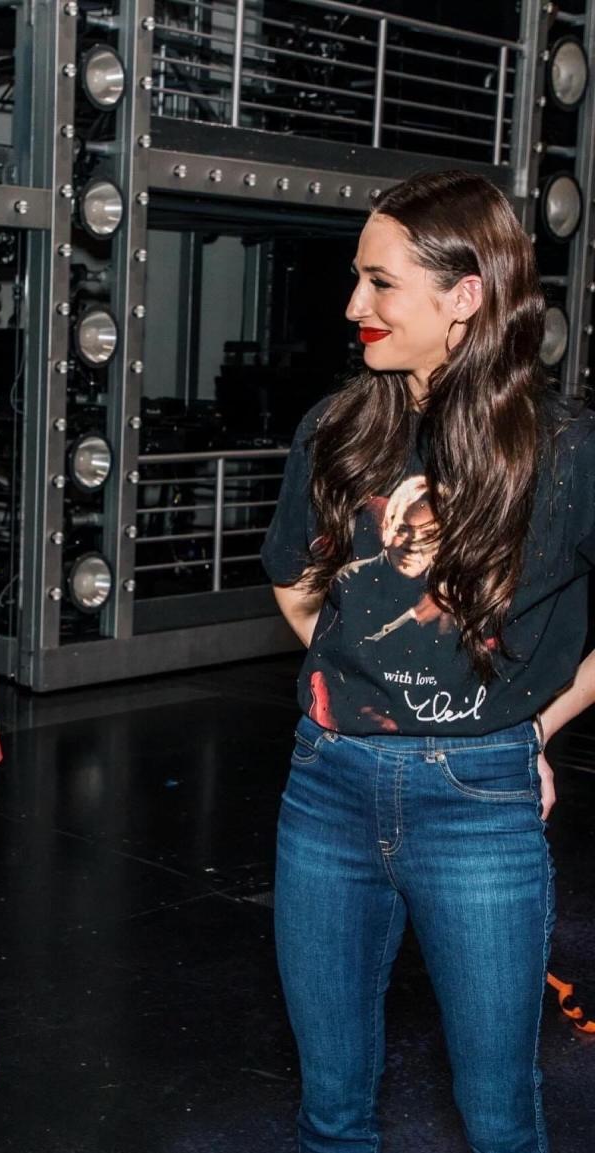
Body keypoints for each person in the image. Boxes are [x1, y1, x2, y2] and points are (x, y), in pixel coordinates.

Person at [261, 169, 595, 1152]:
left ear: (467, 295)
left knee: (499, 1119)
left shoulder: (566, 451)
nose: (352, 305)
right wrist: (354, 675)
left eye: (380, 283)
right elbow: (294, 579)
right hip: (325, 789)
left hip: (479, 807)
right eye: (357, 280)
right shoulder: (337, 431)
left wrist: (543, 720)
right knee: (332, 1115)